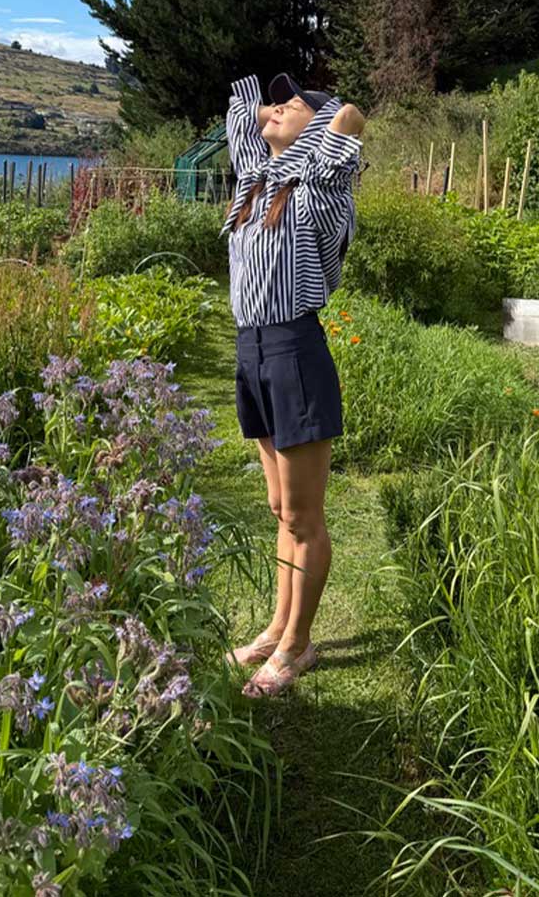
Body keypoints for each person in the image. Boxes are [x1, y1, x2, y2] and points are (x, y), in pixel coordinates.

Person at [219, 70, 365, 697]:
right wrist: (277, 119)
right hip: (250, 349)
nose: (275, 106)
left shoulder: (320, 192)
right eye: (275, 101)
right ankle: (278, 628)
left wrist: (327, 116)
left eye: (293, 103)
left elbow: (350, 120)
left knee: (304, 516)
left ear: (318, 127)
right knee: (280, 509)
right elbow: (239, 110)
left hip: (291, 350)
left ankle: (298, 646)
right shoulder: (256, 183)